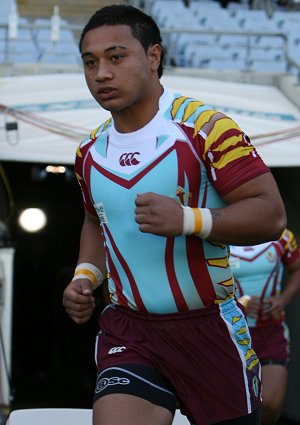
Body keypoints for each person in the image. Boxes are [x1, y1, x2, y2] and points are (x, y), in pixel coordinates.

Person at [62, 5, 287, 425]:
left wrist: (188, 220)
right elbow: (96, 220)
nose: (101, 74)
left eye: (116, 57)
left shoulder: (206, 127)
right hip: (129, 330)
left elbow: (271, 214)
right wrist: (85, 276)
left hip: (209, 331)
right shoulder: (88, 152)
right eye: (90, 63)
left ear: (153, 56)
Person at [229, 229, 300, 425]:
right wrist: (238, 303)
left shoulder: (283, 236)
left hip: (272, 330)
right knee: (234, 407)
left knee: (270, 405)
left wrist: (283, 299)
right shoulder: (218, 235)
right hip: (233, 333)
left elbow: (297, 268)